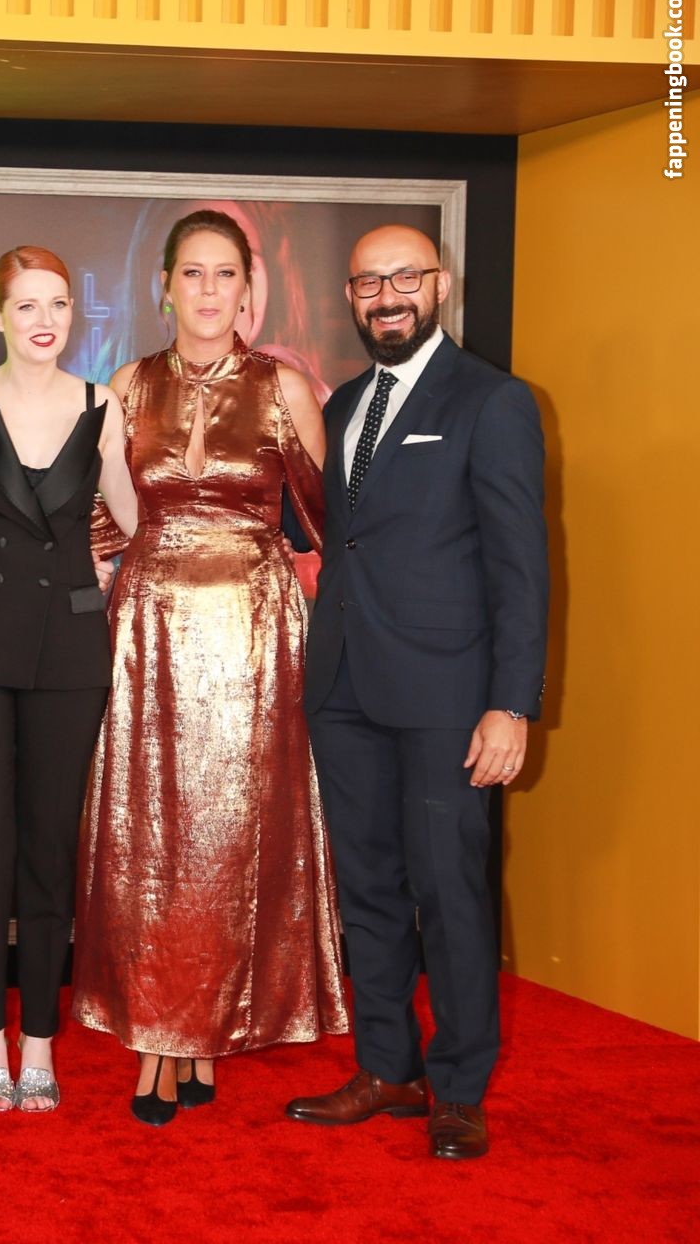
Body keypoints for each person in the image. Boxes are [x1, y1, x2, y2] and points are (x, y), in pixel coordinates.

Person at [70, 208, 349, 1125]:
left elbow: (327, 524)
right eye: (191, 273)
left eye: (224, 274)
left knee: (230, 837)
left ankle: (202, 1030)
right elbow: (102, 517)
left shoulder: (284, 387)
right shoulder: (128, 385)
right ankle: (159, 1034)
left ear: (248, 288)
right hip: (150, 630)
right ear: (165, 287)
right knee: (152, 836)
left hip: (254, 637)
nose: (207, 290)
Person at [286, 225, 547, 1161]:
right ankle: (387, 1069)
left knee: (451, 894)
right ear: (349, 297)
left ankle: (460, 1089)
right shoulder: (346, 402)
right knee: (368, 891)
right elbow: (338, 537)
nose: (387, 296)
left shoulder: (493, 400)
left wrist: (512, 704)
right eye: (369, 283)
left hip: (449, 697)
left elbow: (522, 566)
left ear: (440, 286)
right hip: (346, 686)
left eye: (405, 278)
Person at [0, 247, 136, 1113]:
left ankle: (38, 1040)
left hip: (68, 653)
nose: (45, 320)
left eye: (59, 304)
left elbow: (136, 516)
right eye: (27, 305)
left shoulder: (102, 405)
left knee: (49, 847)